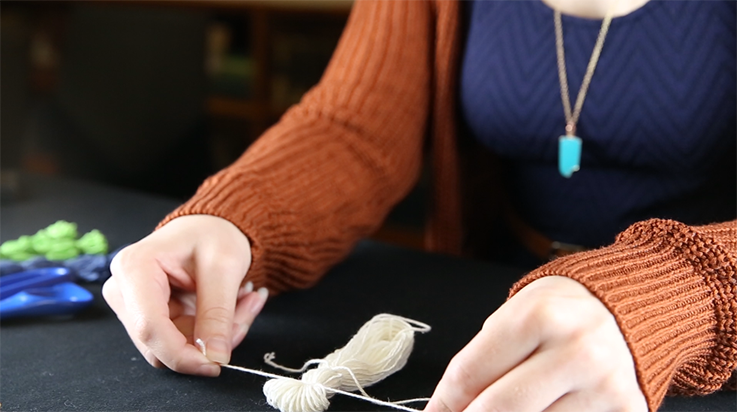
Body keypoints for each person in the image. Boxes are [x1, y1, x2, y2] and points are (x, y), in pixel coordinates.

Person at [102, 0, 737, 411]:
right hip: (491, 299)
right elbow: (357, 125)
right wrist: (232, 216)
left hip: (701, 342)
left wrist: (676, 295)